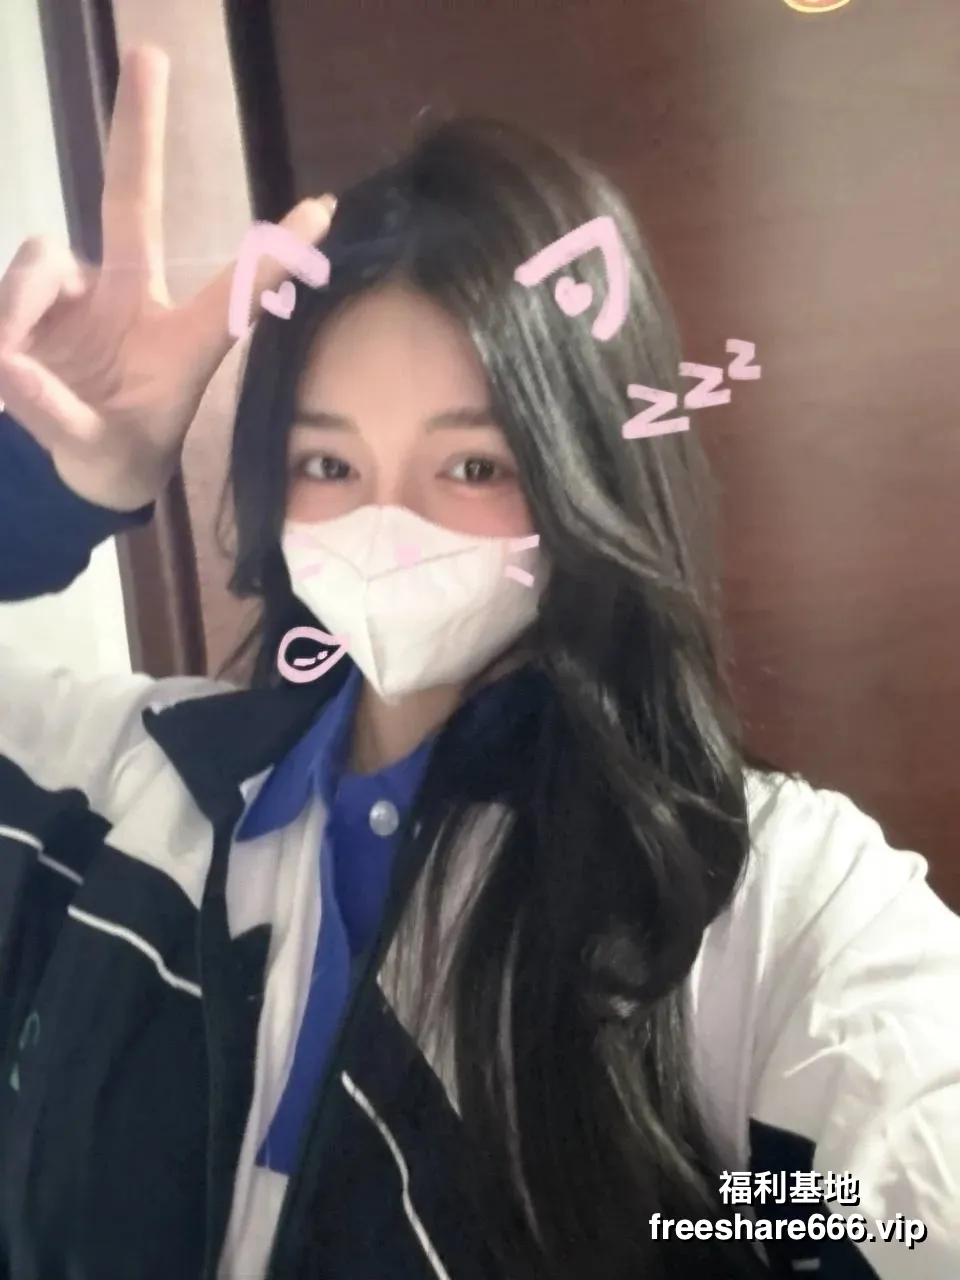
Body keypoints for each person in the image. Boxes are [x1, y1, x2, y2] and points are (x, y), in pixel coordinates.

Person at [0, 43, 956, 1280]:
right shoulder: (112, 784)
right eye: (328, 462)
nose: (386, 524)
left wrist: (681, 1221)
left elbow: (905, 1216)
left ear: (586, 477)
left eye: (473, 465)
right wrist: (37, 496)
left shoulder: (755, 893)